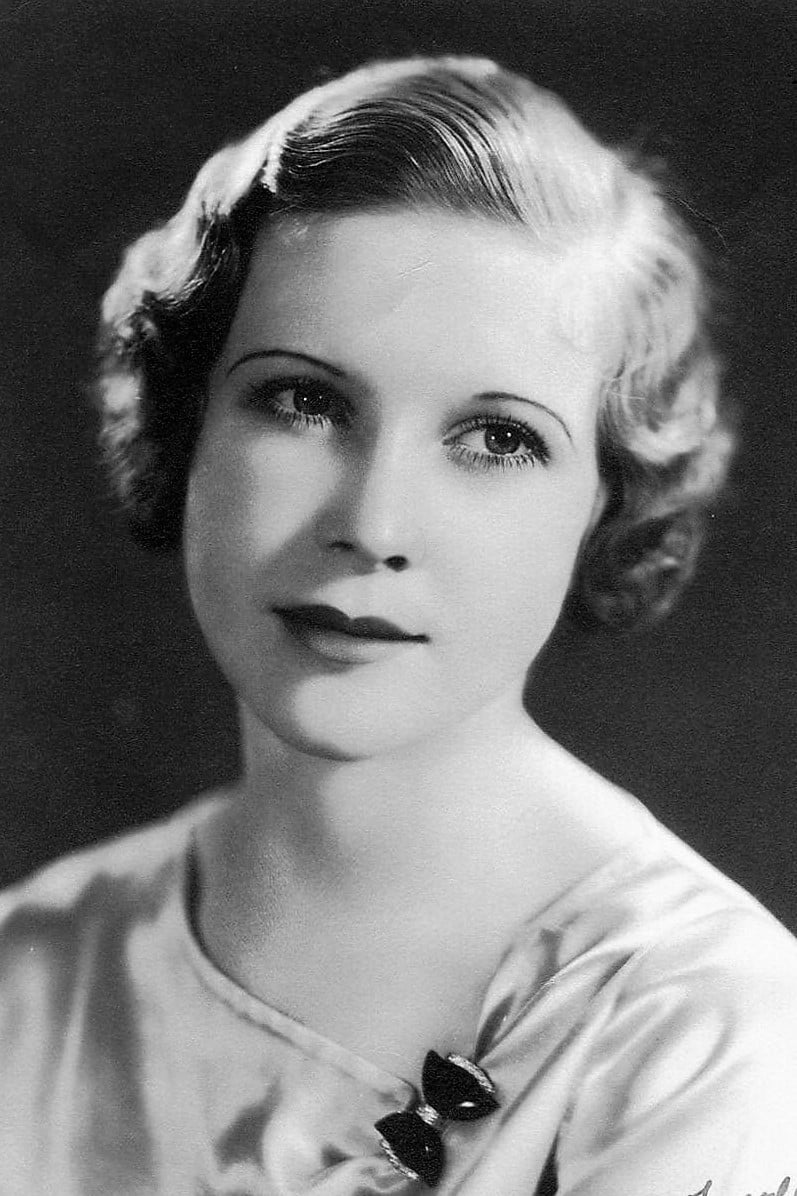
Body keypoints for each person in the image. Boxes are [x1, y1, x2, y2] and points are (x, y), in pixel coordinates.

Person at [1, 54, 795, 1196]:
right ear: (187, 428)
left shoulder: (695, 1026)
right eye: (302, 400)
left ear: (604, 502)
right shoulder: (30, 971)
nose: (372, 525)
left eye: (496, 439)